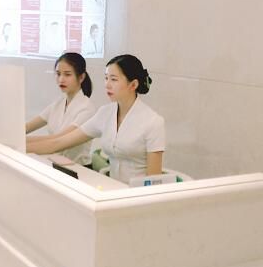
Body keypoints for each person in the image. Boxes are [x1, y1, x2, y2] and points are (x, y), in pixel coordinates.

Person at [27, 54, 165, 184]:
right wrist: (19, 146)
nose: (107, 84)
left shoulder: (153, 122)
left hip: (137, 195)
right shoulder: (105, 113)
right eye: (106, 78)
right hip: (112, 188)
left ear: (133, 85)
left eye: (113, 79)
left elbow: (153, 181)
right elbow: (59, 142)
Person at [26, 53, 97, 165]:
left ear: (81, 77)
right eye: (58, 74)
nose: (61, 79)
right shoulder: (58, 103)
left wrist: (19, 143)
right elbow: (28, 127)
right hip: (55, 163)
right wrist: (10, 136)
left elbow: (58, 140)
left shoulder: (87, 108)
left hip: (78, 168)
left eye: (67, 74)